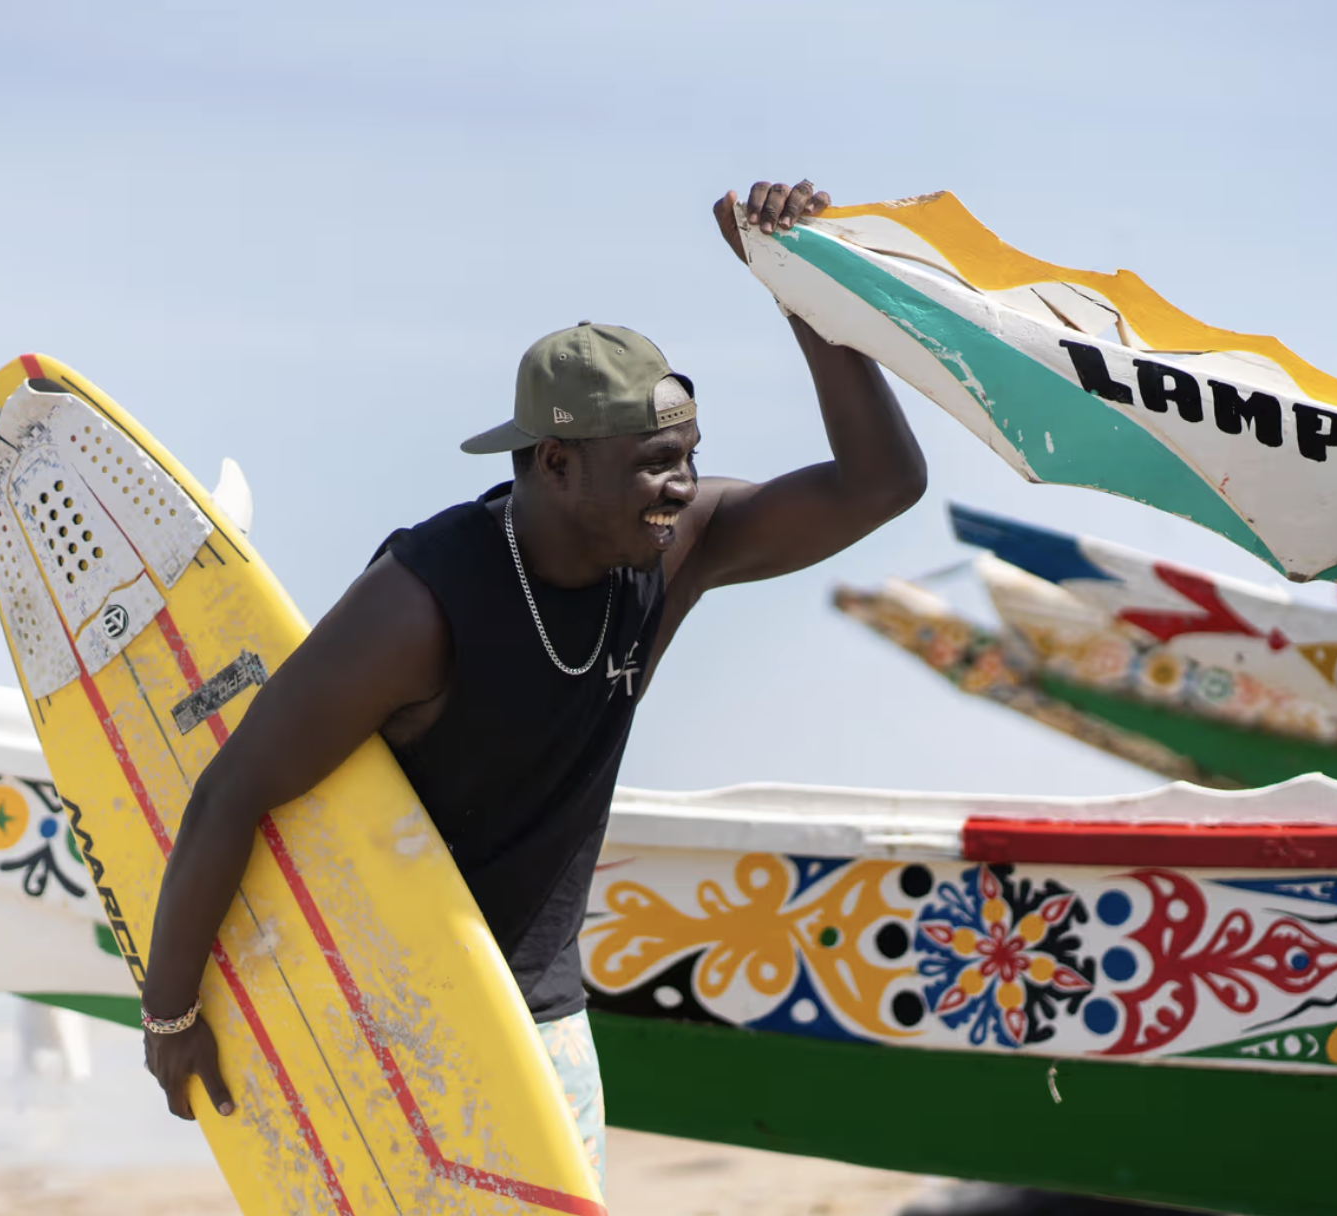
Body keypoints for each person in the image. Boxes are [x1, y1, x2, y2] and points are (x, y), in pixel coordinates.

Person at [138, 176, 928, 1192]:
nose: (683, 487)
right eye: (654, 464)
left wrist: (802, 297)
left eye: (691, 458)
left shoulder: (671, 549)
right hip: (382, 1005)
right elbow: (233, 788)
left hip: (544, 1014)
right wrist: (170, 1014)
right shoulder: (420, 604)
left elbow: (881, 485)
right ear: (555, 462)